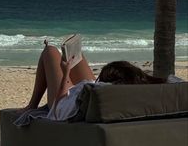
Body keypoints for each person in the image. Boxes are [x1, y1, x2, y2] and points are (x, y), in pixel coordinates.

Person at [19, 42, 166, 121]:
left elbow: (58, 110)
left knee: (50, 51)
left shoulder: (95, 94)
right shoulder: (142, 91)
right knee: (75, 54)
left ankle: (32, 105)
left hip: (73, 100)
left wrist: (66, 75)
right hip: (90, 94)